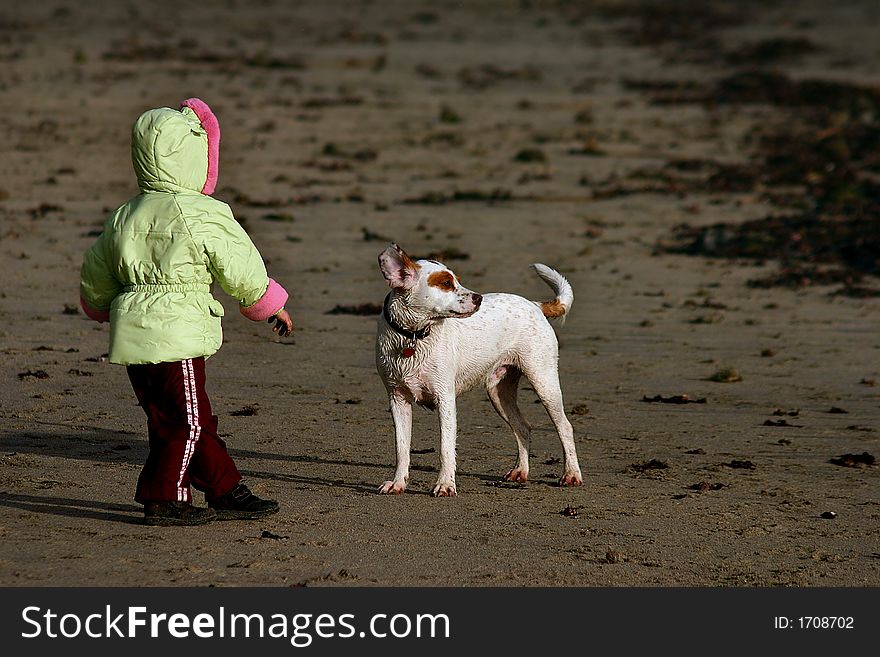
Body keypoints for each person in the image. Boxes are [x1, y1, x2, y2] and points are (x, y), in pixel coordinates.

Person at [79, 98, 293, 526]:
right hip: (175, 335)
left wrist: (101, 308)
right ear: (197, 157)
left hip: (134, 335)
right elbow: (240, 265)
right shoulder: (203, 213)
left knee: (176, 417)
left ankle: (223, 486)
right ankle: (164, 497)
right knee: (188, 421)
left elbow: (97, 272)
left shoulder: (124, 215)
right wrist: (268, 303)